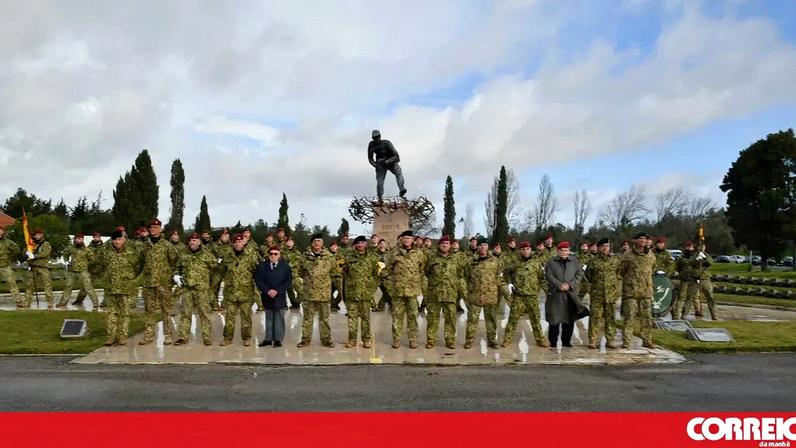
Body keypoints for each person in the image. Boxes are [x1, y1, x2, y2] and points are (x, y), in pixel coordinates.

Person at [382, 230, 427, 349]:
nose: (406, 240)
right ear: (401, 239)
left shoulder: (419, 253)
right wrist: (390, 287)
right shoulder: (394, 252)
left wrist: (421, 286)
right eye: (405, 238)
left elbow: (422, 271)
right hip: (398, 291)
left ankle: (413, 339)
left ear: (413, 240)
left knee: (413, 316)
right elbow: (387, 271)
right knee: (397, 316)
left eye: (409, 238)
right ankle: (396, 339)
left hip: (412, 291)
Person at [139, 219, 179, 345]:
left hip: (163, 283)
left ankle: (167, 335)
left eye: (156, 227)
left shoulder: (167, 245)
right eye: (151, 227)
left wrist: (172, 277)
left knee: (166, 310)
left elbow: (174, 262)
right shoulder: (145, 246)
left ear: (161, 229)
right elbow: (140, 262)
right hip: (149, 283)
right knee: (149, 311)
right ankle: (149, 335)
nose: (154, 229)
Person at [501, 241, 548, 348]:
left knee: (536, 319)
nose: (526, 251)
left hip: (532, 296)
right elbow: (506, 272)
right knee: (513, 319)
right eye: (523, 249)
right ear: (520, 251)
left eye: (528, 249)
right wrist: (509, 282)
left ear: (531, 250)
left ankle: (540, 340)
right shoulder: (515, 262)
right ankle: (507, 340)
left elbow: (542, 278)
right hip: (519, 296)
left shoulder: (536, 263)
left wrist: (544, 290)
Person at [102, 230, 144, 346]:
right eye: (115, 240)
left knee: (124, 314)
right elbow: (100, 266)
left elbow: (139, 267)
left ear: (124, 240)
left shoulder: (132, 253)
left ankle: (122, 336)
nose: (117, 242)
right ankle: (111, 336)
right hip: (111, 289)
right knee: (111, 313)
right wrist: (105, 279)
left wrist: (133, 281)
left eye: (119, 239)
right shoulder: (107, 253)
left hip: (125, 289)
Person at [174, 233, 216, 346]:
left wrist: (206, 281)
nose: (192, 242)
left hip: (201, 290)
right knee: (185, 313)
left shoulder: (207, 255)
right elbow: (177, 267)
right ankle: (183, 337)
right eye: (191, 240)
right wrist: (176, 275)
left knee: (204, 314)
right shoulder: (183, 254)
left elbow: (215, 268)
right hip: (187, 289)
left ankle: (207, 337)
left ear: (199, 242)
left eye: (195, 240)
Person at [464, 237, 506, 349]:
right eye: (480, 245)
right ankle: (469, 340)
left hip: (490, 295)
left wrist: (506, 291)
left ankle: (492, 340)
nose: (482, 247)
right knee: (472, 320)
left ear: (488, 247)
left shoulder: (495, 262)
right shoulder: (471, 262)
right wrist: (469, 289)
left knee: (491, 320)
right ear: (477, 247)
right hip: (475, 295)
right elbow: (466, 276)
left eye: (485, 245)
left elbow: (499, 278)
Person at [297, 234, 337, 348]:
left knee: (324, 319)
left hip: (324, 293)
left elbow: (334, 272)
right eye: (315, 241)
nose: (317, 243)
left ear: (323, 243)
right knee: (307, 319)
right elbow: (300, 271)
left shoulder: (329, 257)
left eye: (319, 241)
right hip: (309, 293)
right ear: (311, 243)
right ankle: (305, 340)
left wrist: (324, 282)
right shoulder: (305, 257)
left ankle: (326, 340)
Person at [544, 241, 586, 348]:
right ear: (558, 251)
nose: (564, 252)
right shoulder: (551, 262)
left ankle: (566, 341)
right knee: (554, 319)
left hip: (570, 294)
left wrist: (570, 285)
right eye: (562, 250)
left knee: (569, 320)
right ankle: (553, 342)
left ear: (569, 251)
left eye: (566, 250)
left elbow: (579, 274)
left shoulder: (575, 261)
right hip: (556, 295)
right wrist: (559, 285)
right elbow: (548, 275)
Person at [221, 234, 260, 346]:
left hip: (246, 292)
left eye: (240, 242)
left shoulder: (250, 256)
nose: (238, 244)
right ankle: (227, 338)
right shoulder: (227, 257)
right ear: (233, 244)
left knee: (246, 317)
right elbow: (220, 272)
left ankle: (246, 338)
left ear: (244, 243)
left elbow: (257, 273)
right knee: (229, 317)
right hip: (230, 292)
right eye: (236, 242)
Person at [342, 236, 380, 348]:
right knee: (352, 318)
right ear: (355, 244)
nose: (360, 245)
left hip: (366, 293)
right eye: (358, 243)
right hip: (352, 292)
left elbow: (376, 274)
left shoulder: (373, 257)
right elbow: (344, 272)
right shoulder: (348, 257)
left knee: (366, 318)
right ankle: (352, 340)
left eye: (363, 242)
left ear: (366, 244)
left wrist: (372, 286)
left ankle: (366, 340)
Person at [619, 233, 656, 349]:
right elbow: (621, 270)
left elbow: (652, 268)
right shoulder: (628, 254)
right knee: (629, 317)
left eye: (645, 239)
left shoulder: (650, 255)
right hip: (631, 291)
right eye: (640, 239)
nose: (642, 241)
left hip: (645, 291)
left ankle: (647, 340)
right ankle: (626, 341)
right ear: (635, 241)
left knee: (647, 317)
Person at [584, 238, 621, 349]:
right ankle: (592, 340)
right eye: (603, 246)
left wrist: (615, 290)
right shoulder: (592, 262)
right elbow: (587, 278)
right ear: (599, 248)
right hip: (597, 295)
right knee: (595, 317)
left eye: (608, 246)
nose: (606, 248)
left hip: (611, 295)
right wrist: (592, 291)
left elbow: (618, 275)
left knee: (610, 318)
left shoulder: (615, 261)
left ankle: (610, 340)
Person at [424, 235, 460, 349]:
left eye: (447, 243)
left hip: (450, 294)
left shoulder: (456, 258)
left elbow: (460, 273)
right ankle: (431, 340)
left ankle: (450, 340)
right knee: (433, 319)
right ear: (439, 245)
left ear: (450, 246)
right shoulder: (432, 258)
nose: (445, 245)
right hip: (435, 293)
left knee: (450, 319)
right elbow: (426, 272)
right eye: (442, 243)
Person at [254, 245, 293, 347]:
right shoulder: (262, 266)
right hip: (267, 296)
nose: (273, 256)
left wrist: (277, 291)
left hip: (279, 296)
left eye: (276, 254)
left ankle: (278, 339)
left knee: (279, 318)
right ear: (268, 255)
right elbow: (258, 280)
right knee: (269, 318)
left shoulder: (285, 267)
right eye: (271, 254)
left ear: (279, 255)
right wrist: (267, 291)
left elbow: (288, 281)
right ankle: (268, 338)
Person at [57, 234, 100, 310]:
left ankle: (96, 304)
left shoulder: (87, 250)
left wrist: (86, 264)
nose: (77, 240)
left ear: (82, 240)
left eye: (79, 239)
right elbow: (65, 253)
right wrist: (66, 261)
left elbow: (93, 259)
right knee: (68, 287)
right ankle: (63, 302)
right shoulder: (71, 248)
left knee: (88, 288)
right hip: (72, 271)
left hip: (83, 271)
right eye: (76, 239)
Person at [367, 129, 407, 201]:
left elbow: (397, 156)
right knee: (380, 182)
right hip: (381, 164)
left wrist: (387, 161)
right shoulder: (371, 144)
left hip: (391, 161)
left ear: (380, 136)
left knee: (399, 173)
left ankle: (402, 188)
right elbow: (370, 158)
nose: (377, 139)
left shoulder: (386, 143)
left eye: (378, 137)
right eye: (375, 138)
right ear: (373, 138)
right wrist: (375, 165)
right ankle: (380, 197)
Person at [24, 228, 54, 309]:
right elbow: (25, 252)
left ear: (41, 235)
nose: (36, 236)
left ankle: (50, 303)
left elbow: (45, 253)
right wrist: (27, 252)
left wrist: (34, 256)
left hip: (43, 267)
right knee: (30, 285)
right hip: (33, 267)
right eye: (35, 235)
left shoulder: (46, 244)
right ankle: (27, 302)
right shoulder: (31, 244)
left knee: (47, 285)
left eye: (38, 235)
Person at [0, 227, 22, 307]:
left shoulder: (8, 242)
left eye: (0, 231)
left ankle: (18, 301)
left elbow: (17, 250)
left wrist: (9, 257)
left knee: (12, 283)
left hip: (5, 266)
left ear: (3, 232)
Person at [372, 238, 392, 312]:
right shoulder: (375, 253)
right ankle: (373, 305)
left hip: (386, 275)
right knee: (371, 292)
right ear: (379, 244)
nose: (382, 244)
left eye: (383, 243)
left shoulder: (388, 253)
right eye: (381, 243)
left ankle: (381, 305)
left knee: (387, 292)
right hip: (377, 275)